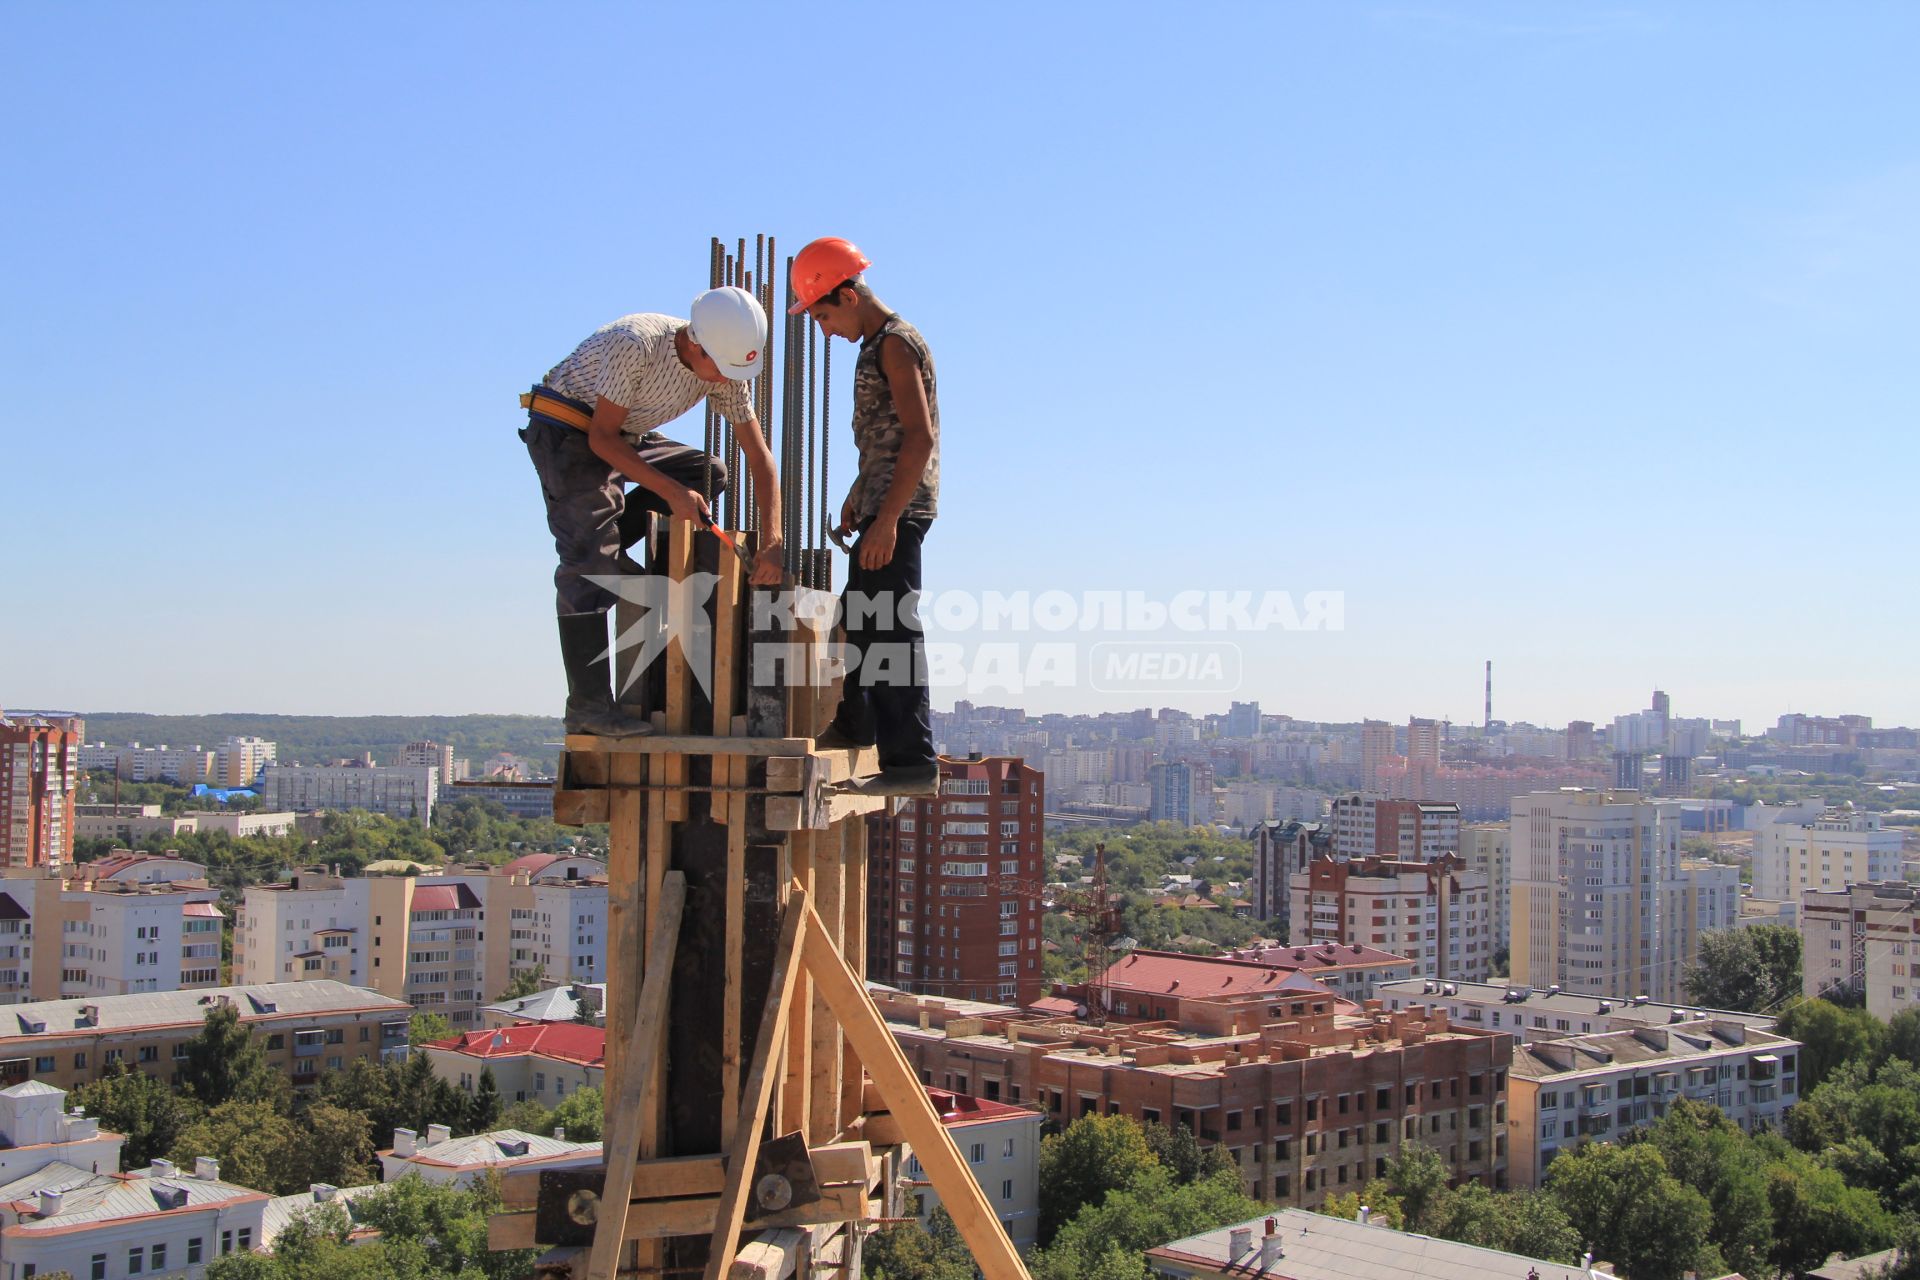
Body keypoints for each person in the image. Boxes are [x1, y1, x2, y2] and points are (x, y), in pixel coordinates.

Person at [522, 287, 784, 736]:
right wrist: (670, 495)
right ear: (696, 344)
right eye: (720, 370)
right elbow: (599, 439)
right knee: (587, 567)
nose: (723, 381)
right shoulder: (636, 344)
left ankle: (598, 546)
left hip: (624, 435)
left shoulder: (723, 369)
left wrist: (774, 539)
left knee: (707, 474)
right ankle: (587, 705)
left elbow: (759, 458)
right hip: (569, 430)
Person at [789, 238, 939, 795]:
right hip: (882, 502)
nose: (825, 330)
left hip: (899, 511)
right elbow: (890, 438)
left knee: (892, 634)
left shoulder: (895, 345)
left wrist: (887, 520)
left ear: (848, 295)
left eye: (824, 315)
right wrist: (861, 492)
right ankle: (856, 722)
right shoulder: (876, 344)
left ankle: (911, 765)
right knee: (860, 618)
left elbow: (920, 439)